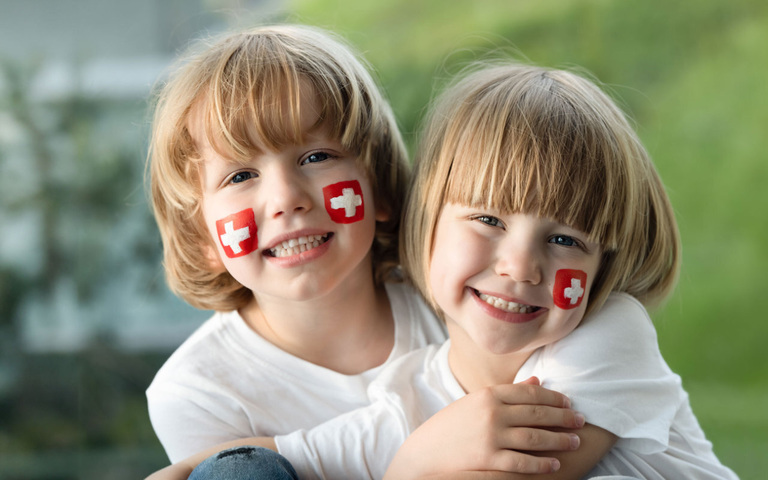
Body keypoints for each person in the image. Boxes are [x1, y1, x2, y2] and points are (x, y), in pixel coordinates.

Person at [158, 62, 738, 479]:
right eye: (488, 219)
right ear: (429, 225)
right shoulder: (409, 392)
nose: (518, 266)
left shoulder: (608, 334)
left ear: (386, 192)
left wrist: (414, 465)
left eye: (564, 239)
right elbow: (314, 451)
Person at [145, 24, 581, 472]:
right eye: (240, 176)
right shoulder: (198, 394)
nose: (285, 198)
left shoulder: (463, 299)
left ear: (379, 184)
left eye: (316, 157)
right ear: (202, 238)